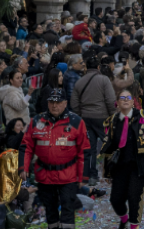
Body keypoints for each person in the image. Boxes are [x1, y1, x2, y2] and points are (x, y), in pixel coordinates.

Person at [19, 88, 88, 229]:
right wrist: (23, 168)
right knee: (50, 210)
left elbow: (84, 151)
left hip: (68, 174)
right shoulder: (36, 121)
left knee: (68, 209)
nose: (54, 105)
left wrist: (83, 176)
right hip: (45, 175)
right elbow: (26, 147)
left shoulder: (76, 122)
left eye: (58, 102)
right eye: (51, 102)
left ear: (65, 103)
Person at [99, 90, 144, 229]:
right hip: (120, 166)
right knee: (116, 199)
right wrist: (107, 172)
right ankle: (124, 220)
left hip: (141, 165)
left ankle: (133, 226)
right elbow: (108, 148)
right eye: (122, 98)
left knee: (134, 196)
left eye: (128, 98)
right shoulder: (112, 121)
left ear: (132, 102)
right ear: (117, 103)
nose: (125, 100)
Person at [70, 55, 116, 186]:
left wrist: (81, 114)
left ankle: (91, 176)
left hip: (86, 119)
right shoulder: (104, 80)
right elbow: (111, 100)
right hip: (102, 117)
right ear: (98, 67)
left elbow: (74, 102)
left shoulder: (80, 81)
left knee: (89, 148)